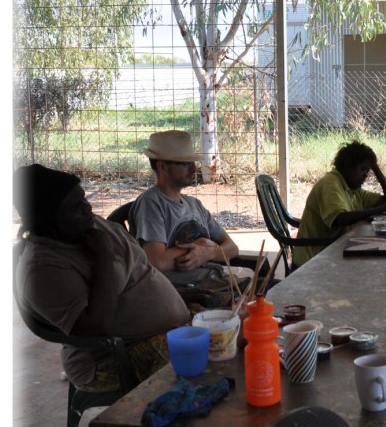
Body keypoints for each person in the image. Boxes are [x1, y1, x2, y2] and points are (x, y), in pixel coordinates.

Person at [13, 164, 189, 392]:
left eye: (84, 199)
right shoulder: (41, 270)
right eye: (75, 207)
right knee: (203, 363)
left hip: (162, 331)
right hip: (111, 357)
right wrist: (104, 257)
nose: (88, 209)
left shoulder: (90, 227)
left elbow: (141, 270)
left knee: (237, 323)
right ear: (48, 218)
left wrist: (183, 295)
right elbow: (94, 326)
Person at [129, 130, 245, 285]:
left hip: (214, 282)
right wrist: (200, 245)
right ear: (162, 166)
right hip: (182, 292)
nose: (194, 169)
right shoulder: (152, 203)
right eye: (185, 164)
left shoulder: (194, 204)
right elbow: (157, 261)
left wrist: (207, 253)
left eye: (193, 163)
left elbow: (232, 248)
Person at [294, 141, 386, 267]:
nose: (365, 175)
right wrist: (380, 209)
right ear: (348, 166)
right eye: (362, 169)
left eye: (368, 170)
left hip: (334, 248)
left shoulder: (353, 189)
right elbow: (339, 219)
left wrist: (376, 168)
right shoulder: (330, 183)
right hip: (314, 259)